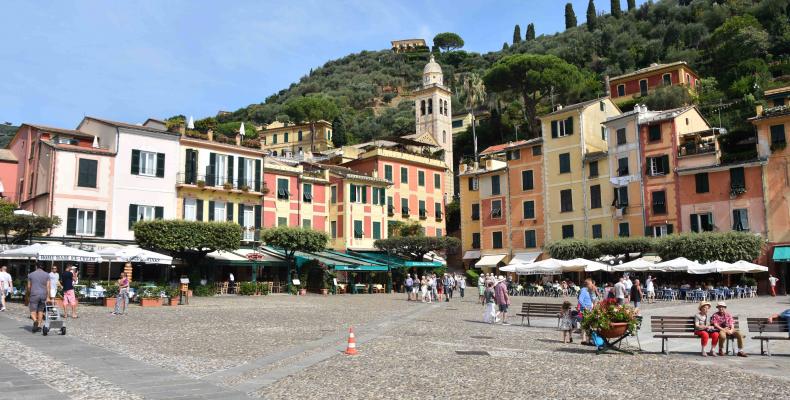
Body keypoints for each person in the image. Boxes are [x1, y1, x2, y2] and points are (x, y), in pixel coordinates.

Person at [27, 264, 50, 333]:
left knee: (32, 311)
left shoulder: (31, 274)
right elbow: (48, 287)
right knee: (40, 310)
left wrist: (28, 294)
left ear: (36, 267)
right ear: (43, 267)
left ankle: (35, 321)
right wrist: (48, 297)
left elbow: (28, 286)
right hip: (43, 294)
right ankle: (39, 326)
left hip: (34, 294)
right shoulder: (47, 275)